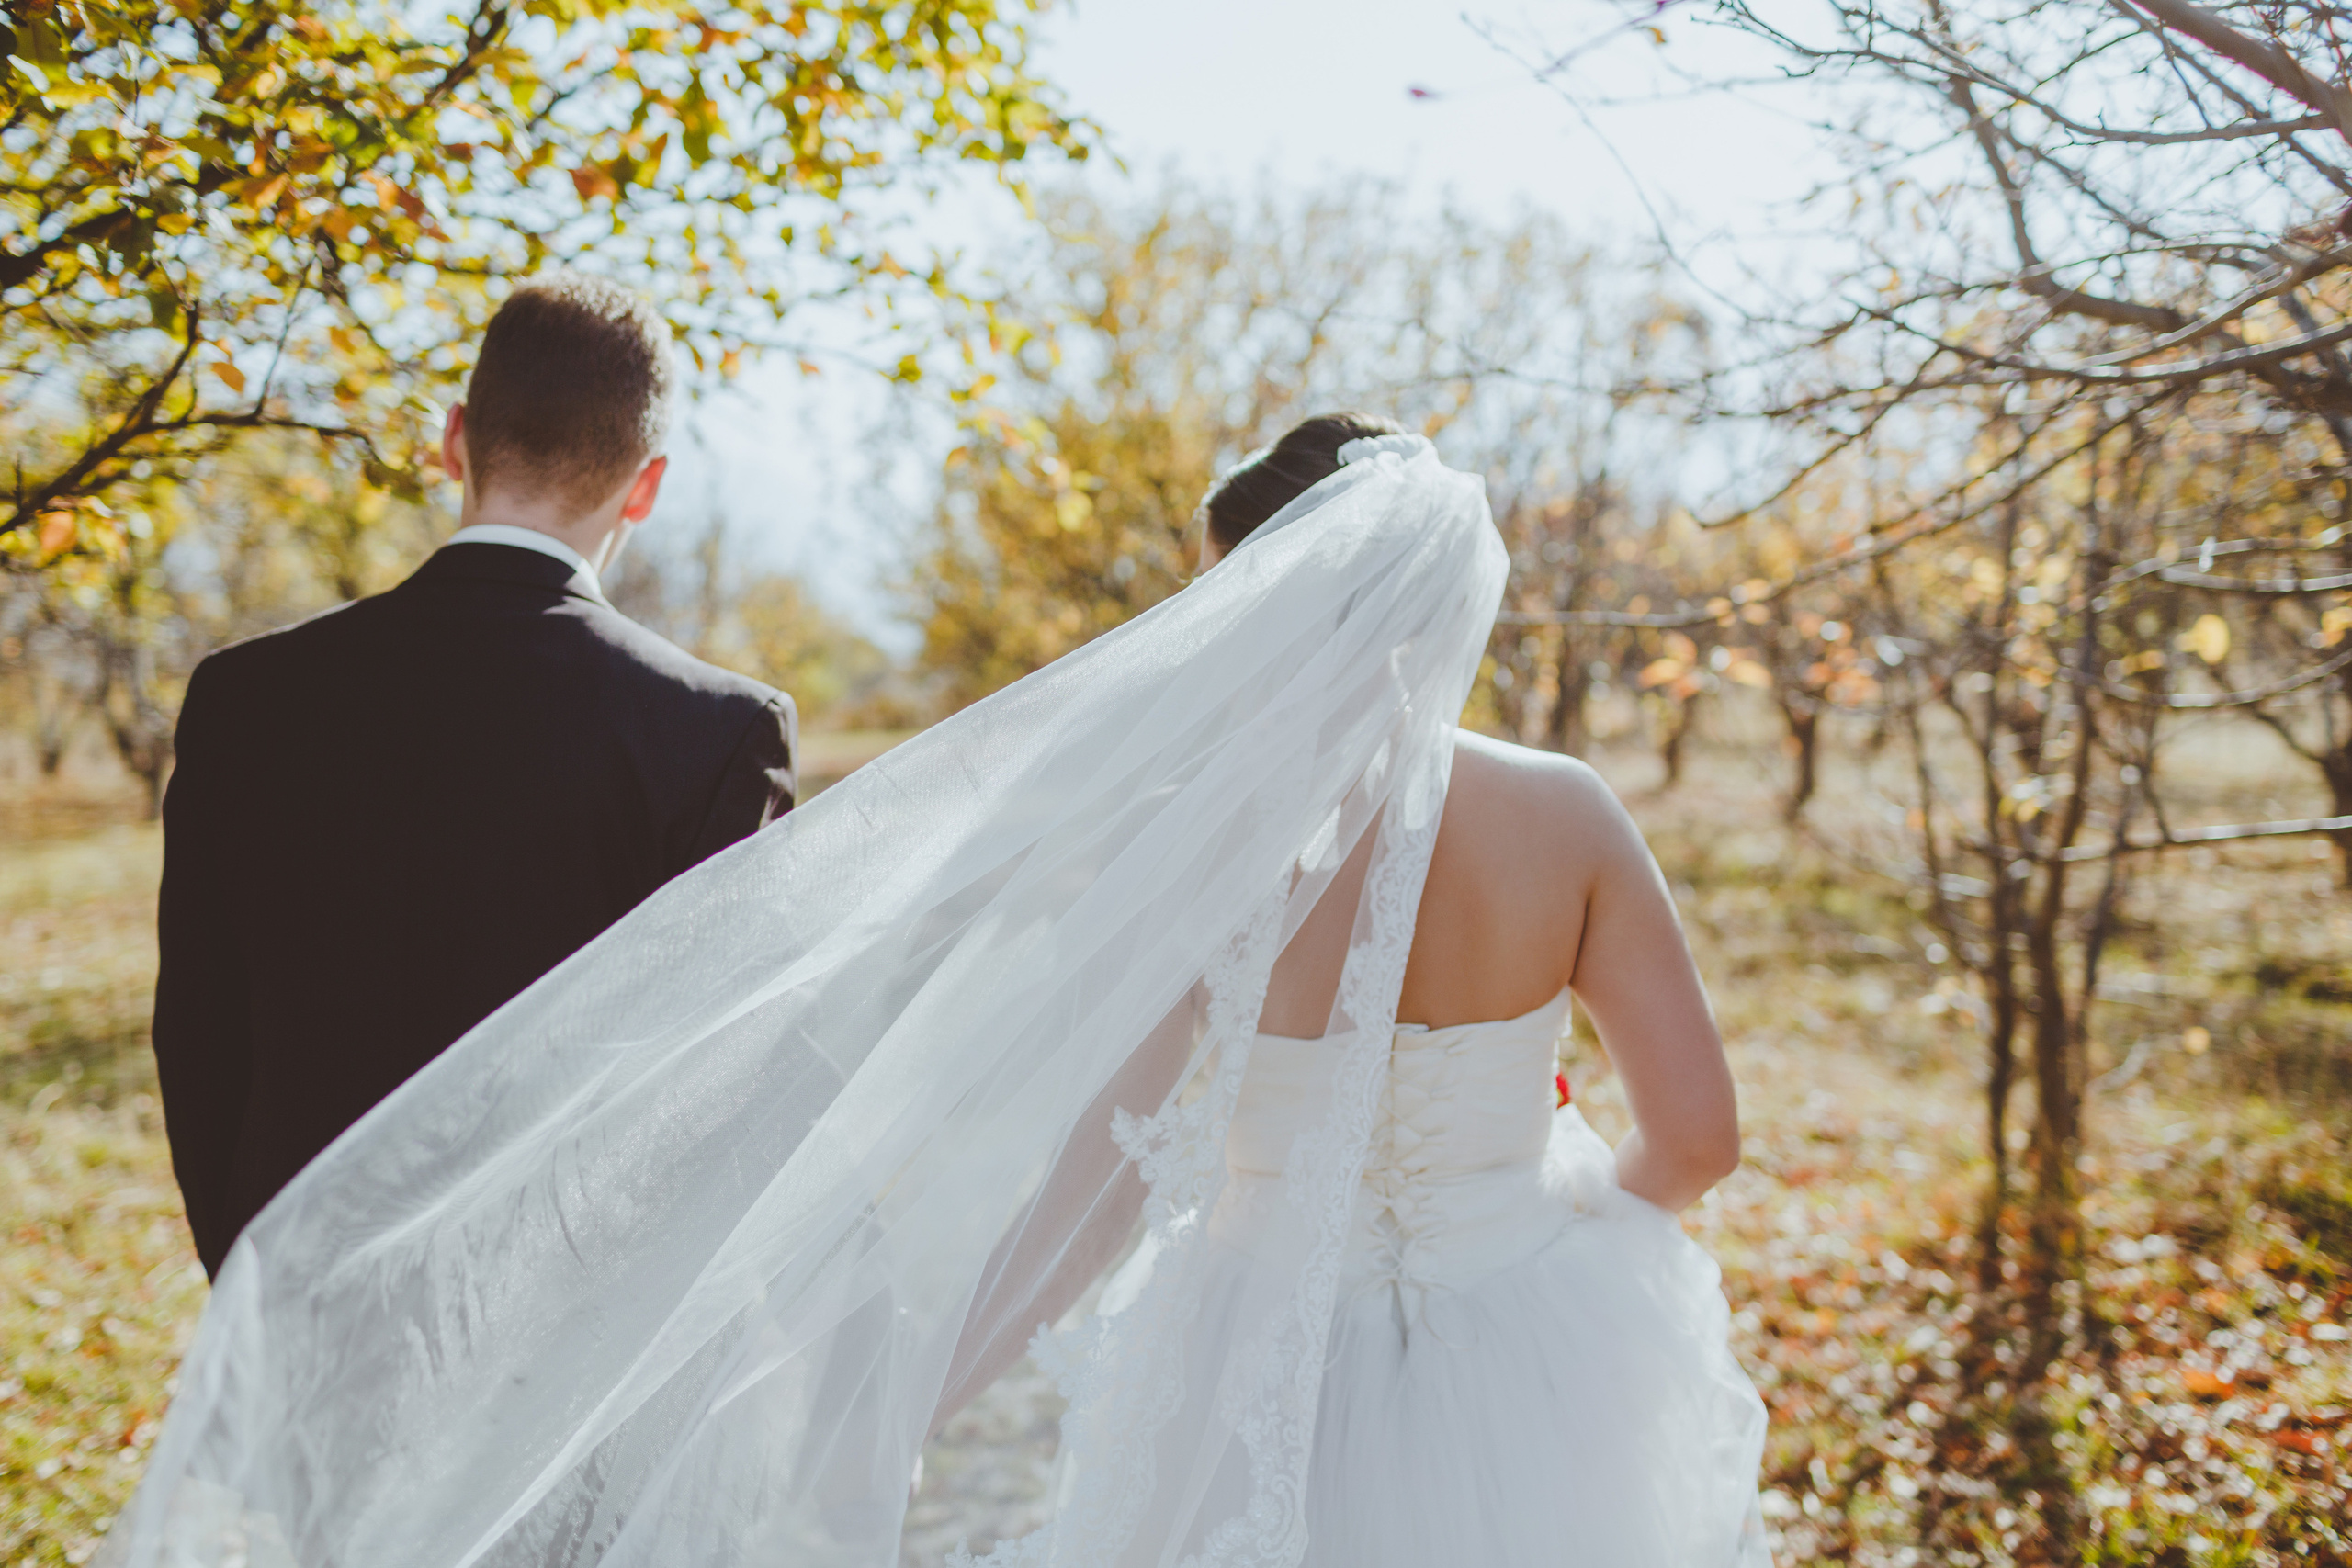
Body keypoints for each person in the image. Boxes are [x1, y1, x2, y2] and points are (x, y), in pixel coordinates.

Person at [112, 415, 1761, 1568]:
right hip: (1537, 1336)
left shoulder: (1217, 856)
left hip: (1259, 1352)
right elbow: (1693, 1135)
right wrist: (1547, 1200)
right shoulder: (1571, 813)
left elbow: (1105, 1176)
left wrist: (916, 1379)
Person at [150, 272, 797, 1278]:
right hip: (556, 1325)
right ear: (647, 485)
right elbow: (714, 1079)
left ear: (455, 437)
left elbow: (198, 1038)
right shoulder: (714, 733)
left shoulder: (245, 698)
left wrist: (251, 1288)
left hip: (292, 1300)